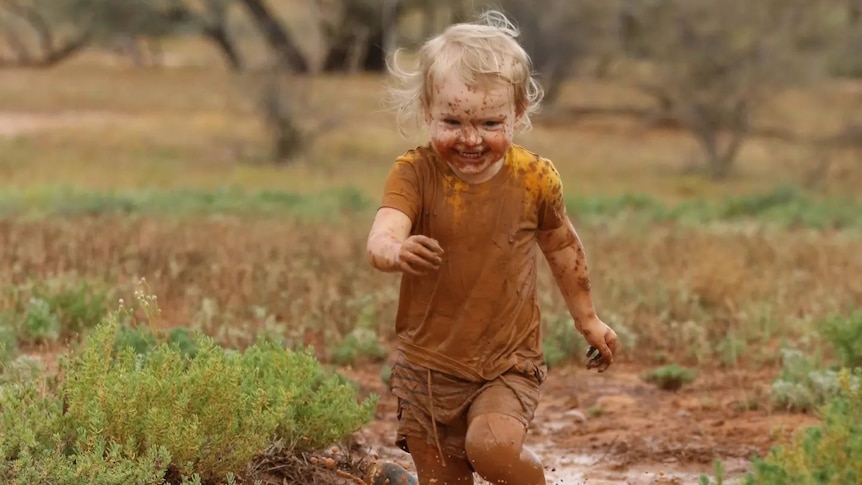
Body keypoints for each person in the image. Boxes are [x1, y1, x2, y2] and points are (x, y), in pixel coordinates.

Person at [366, 10, 618, 485]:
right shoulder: (414, 173)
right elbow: (383, 232)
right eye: (452, 121)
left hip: (507, 362)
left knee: (493, 450)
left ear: (517, 114)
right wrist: (394, 250)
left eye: (488, 122)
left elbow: (562, 245)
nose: (470, 138)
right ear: (427, 112)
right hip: (426, 368)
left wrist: (588, 319)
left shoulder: (535, 179)